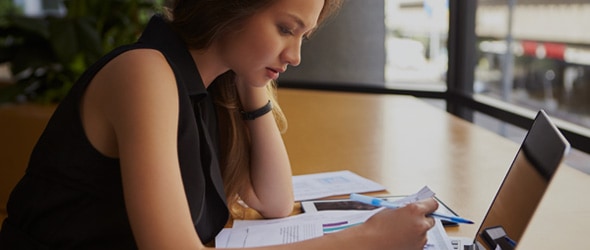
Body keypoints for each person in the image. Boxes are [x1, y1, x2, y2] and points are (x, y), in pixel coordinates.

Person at [0, 0, 439, 249]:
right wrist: (367, 239)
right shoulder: (145, 74)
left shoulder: (208, 85)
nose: (296, 56)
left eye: (303, 36)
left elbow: (274, 201)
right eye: (286, 29)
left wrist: (252, 84)